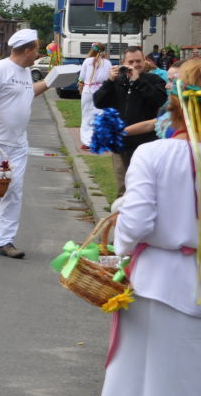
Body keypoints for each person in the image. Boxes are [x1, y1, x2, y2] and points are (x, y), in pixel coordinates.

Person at [100, 58, 201, 396]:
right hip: (184, 281)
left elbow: (137, 222)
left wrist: (121, 250)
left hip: (156, 283)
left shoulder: (153, 154)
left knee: (140, 375)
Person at [0, 29, 52, 258]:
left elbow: (27, 93)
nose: (38, 54)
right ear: (27, 50)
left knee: (13, 190)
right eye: (36, 50)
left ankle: (5, 241)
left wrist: (50, 82)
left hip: (18, 143)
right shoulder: (0, 69)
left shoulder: (26, 72)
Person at [93, 46, 167, 197]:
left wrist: (138, 80)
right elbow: (98, 102)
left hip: (145, 143)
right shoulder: (117, 82)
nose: (135, 65)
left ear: (144, 60)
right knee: (123, 187)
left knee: (143, 186)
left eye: (138, 61)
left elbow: (158, 99)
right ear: (123, 63)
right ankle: (121, 211)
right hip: (120, 143)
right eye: (131, 62)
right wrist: (109, 81)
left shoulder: (154, 80)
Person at [124, 60, 182, 141]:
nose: (166, 86)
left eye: (172, 81)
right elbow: (149, 125)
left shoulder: (193, 113)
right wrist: (119, 132)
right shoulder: (176, 111)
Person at [77, 43, 112, 150]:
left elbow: (81, 77)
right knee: (100, 115)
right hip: (102, 91)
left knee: (86, 115)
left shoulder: (87, 61)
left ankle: (87, 141)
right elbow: (109, 77)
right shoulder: (107, 63)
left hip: (88, 90)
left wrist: (81, 85)